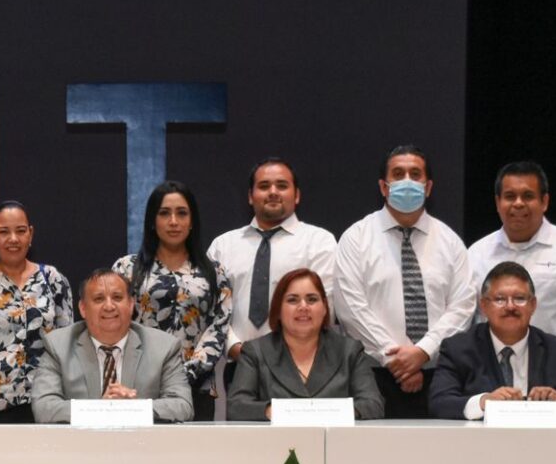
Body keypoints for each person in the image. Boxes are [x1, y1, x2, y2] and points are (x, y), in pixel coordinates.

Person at [334, 146, 476, 418]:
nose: (407, 181)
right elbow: (350, 308)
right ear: (383, 187)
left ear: (428, 187)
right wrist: (395, 359)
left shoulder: (450, 242)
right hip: (374, 375)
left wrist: (423, 351)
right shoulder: (356, 238)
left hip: (440, 375)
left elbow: (463, 307)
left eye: (415, 174)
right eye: (398, 174)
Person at [466, 161, 556, 395]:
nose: (518, 203)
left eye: (528, 196)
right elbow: (467, 322)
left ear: (544, 201)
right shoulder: (476, 254)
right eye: (510, 196)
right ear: (497, 202)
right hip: (491, 388)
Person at [208, 158, 338, 381]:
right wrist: (236, 349)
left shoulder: (319, 242)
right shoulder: (223, 246)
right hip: (240, 366)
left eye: (282, 185)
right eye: (264, 186)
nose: (273, 192)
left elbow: (327, 307)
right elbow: (211, 309)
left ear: (297, 195)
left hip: (302, 367)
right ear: (250, 196)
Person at [112, 181, 231, 421]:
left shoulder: (213, 271)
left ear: (192, 221)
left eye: (182, 213)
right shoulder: (126, 268)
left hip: (196, 387)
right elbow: (114, 324)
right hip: (137, 385)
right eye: (164, 213)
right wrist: (148, 374)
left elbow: (219, 326)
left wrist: (186, 373)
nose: (173, 221)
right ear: (152, 221)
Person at [428, 261, 556, 421]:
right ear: (484, 306)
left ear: (533, 305)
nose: (510, 306)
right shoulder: (458, 349)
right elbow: (439, 403)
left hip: (544, 441)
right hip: (481, 442)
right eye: (500, 299)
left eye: (519, 298)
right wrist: (484, 402)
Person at [0, 200, 74, 423]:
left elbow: (67, 346)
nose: (13, 239)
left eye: (20, 231)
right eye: (3, 232)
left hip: (48, 403)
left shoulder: (53, 279)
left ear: (31, 234)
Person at [32, 270, 193, 424]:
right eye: (99, 299)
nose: (109, 306)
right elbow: (44, 408)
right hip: (80, 441)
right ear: (83, 308)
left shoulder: (163, 347)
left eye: (117, 297)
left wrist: (133, 409)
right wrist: (102, 410)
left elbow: (182, 405)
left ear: (131, 305)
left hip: (141, 441)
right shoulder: (58, 346)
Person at [227, 268, 382, 421]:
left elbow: (373, 404)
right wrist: (273, 412)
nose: (303, 307)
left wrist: (327, 414)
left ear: (324, 308)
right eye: (292, 300)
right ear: (278, 310)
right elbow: (236, 407)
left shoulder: (349, 351)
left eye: (312, 299)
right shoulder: (255, 352)